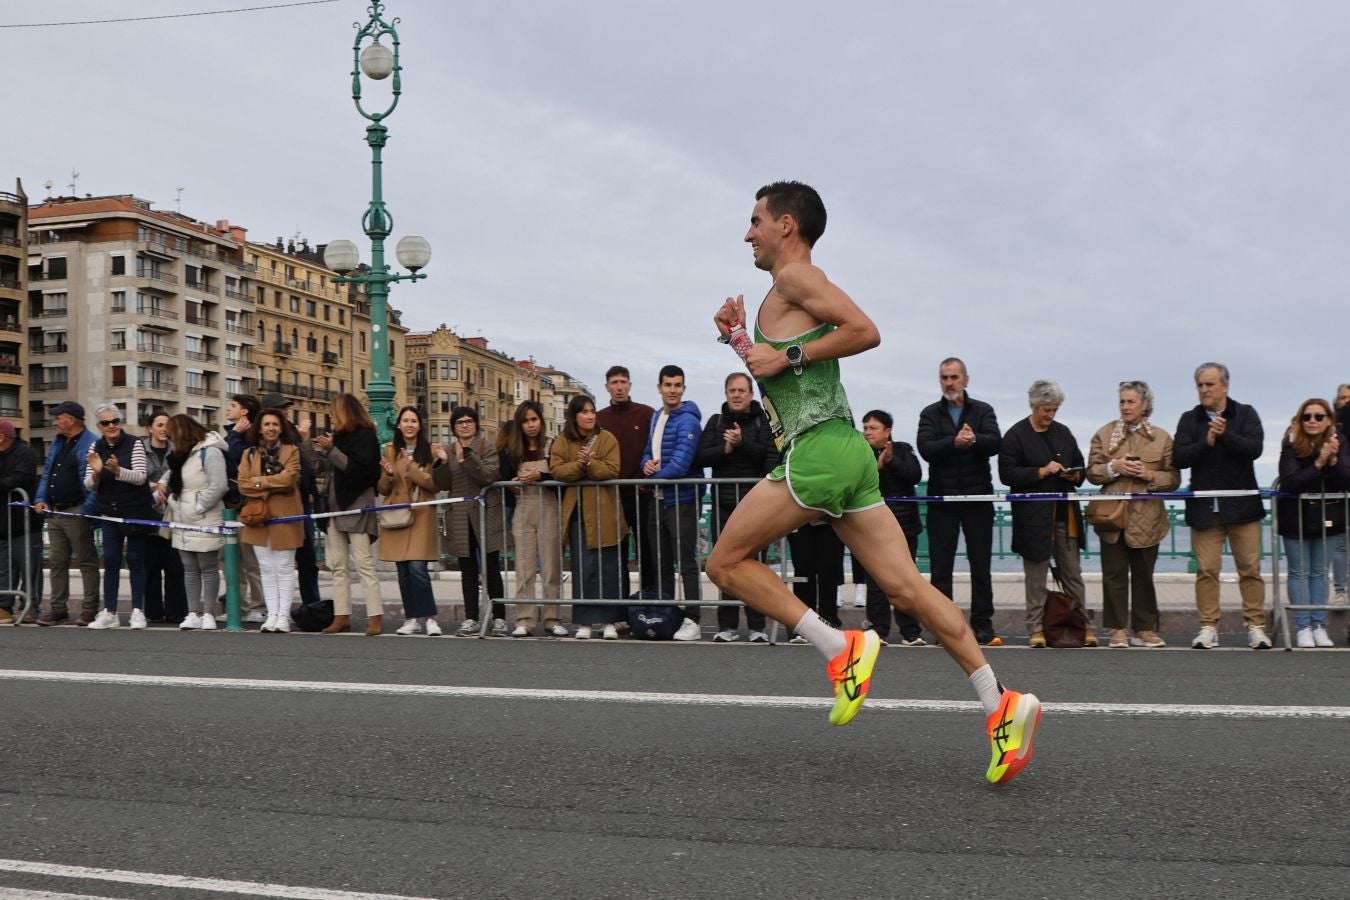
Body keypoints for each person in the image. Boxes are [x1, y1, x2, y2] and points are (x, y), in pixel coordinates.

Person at [707, 180, 1040, 784]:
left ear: (786, 225)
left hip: (818, 454)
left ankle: (840, 648)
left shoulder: (796, 277)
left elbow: (864, 331)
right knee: (908, 589)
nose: (747, 232)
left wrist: (785, 357)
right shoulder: (785, 295)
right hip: (847, 455)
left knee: (725, 564)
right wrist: (738, 338)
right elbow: (774, 370)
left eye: (755, 220)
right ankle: (1001, 704)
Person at [1174, 362, 1271, 650]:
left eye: (1210, 384)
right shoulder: (1189, 419)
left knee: (1250, 568)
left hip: (1242, 507)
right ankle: (1208, 627)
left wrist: (1226, 434)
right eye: (1200, 385)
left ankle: (1256, 626)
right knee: (1206, 569)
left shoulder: (1245, 413)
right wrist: (1207, 440)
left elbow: (1255, 449)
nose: (1204, 390)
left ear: (1225, 386)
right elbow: (1179, 458)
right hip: (1205, 509)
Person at [916, 358, 1004, 646]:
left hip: (978, 500)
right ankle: (945, 628)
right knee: (941, 569)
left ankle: (983, 626)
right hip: (943, 502)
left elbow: (995, 442)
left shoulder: (983, 410)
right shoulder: (930, 413)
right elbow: (925, 448)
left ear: (966, 379)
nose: (949, 383)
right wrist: (954, 442)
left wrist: (974, 439)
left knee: (981, 568)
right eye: (944, 377)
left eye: (954, 377)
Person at [1085, 381, 1180, 648]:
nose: (1125, 407)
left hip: (1148, 517)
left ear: (1145, 404)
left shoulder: (1162, 438)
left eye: (1131, 402)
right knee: (1113, 574)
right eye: (1122, 402)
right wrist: (1113, 467)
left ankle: (1145, 629)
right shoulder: (1104, 434)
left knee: (1143, 575)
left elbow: (1173, 478)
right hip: (1111, 517)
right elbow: (1091, 472)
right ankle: (1117, 630)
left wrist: (1149, 475)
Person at [997, 381, 1089, 648]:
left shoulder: (1064, 433)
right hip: (1033, 519)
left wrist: (1076, 473)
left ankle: (1080, 625)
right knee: (1035, 576)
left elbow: (1081, 466)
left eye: (1055, 410)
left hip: (1065, 515)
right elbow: (1007, 474)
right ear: (1033, 406)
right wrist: (1040, 471)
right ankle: (1035, 628)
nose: (1051, 415)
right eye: (1046, 410)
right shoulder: (1015, 435)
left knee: (1072, 573)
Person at [697, 372, 776, 642]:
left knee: (756, 566)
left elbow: (769, 457)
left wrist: (742, 444)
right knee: (723, 567)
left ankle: (757, 627)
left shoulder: (762, 421)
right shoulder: (716, 421)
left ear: (751, 394)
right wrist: (726, 449)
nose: (737, 395)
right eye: (732, 390)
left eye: (742, 390)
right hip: (723, 504)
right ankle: (727, 626)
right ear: (726, 393)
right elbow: (702, 456)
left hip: (755, 506)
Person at [550, 394, 627, 639]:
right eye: (584, 411)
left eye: (592, 411)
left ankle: (609, 622)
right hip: (578, 513)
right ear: (574, 416)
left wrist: (590, 464)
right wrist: (579, 465)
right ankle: (585, 622)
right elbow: (557, 469)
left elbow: (612, 469)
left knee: (608, 568)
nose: (590, 415)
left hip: (605, 512)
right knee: (584, 569)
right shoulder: (563, 440)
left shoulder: (607, 439)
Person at [1276, 398, 1349, 648]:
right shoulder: (1291, 442)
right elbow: (1291, 482)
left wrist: (1333, 461)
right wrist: (1318, 463)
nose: (1312, 421)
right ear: (1300, 419)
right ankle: (1302, 626)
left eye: (1319, 416)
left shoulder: (1339, 441)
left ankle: (1319, 625)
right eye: (1307, 416)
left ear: (1329, 419)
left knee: (1320, 572)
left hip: (1329, 517)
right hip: (1295, 518)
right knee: (1298, 572)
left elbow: (1346, 480)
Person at [640, 364, 704, 641]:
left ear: (683, 389)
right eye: (668, 385)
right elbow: (647, 452)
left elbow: (680, 464)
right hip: (659, 500)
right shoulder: (656, 417)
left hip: (682, 500)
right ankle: (666, 615)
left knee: (686, 562)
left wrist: (653, 479)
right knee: (661, 562)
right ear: (659, 388)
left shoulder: (688, 420)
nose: (673, 390)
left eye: (677, 385)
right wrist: (645, 467)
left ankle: (693, 619)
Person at [312, 393, 384, 636]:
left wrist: (332, 450)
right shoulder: (338, 438)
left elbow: (361, 472)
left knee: (364, 563)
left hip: (356, 505)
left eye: (334, 412)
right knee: (338, 565)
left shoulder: (365, 437)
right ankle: (341, 615)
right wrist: (315, 448)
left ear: (345, 412)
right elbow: (322, 467)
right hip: (334, 507)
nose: (331, 417)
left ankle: (376, 616)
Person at [432, 406, 507, 636]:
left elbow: (488, 475)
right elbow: (442, 485)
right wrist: (442, 463)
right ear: (453, 427)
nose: (464, 425)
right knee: (467, 569)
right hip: (460, 516)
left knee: (491, 568)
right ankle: (471, 617)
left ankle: (500, 618)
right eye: (459, 422)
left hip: (486, 514)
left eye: (469, 421)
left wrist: (466, 458)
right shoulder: (447, 449)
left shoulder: (487, 446)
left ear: (476, 424)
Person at [84, 403, 156, 630]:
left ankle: (137, 610)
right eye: (106, 423)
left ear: (120, 422)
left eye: (115, 421)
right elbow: (88, 485)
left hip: (134, 510)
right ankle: (110, 611)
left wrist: (117, 471)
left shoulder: (135, 443)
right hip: (109, 512)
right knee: (111, 561)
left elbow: (141, 477)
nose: (112, 426)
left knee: (135, 560)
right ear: (99, 426)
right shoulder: (95, 446)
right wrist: (96, 473)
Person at [858, 410, 927, 646]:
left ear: (888, 431)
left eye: (873, 428)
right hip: (872, 528)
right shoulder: (860, 453)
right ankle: (878, 630)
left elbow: (914, 476)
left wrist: (891, 461)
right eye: (865, 427)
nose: (867, 432)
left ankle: (911, 631)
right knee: (876, 580)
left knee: (906, 578)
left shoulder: (904, 449)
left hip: (904, 526)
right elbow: (855, 481)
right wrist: (876, 466)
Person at [500, 400, 567, 637]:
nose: (530, 425)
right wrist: (512, 487)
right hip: (523, 507)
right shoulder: (512, 451)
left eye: (534, 420)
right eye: (525, 421)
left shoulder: (552, 446)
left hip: (549, 506)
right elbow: (503, 478)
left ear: (541, 420)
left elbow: (561, 474)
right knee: (524, 567)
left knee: (551, 567)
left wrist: (540, 475)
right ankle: (524, 619)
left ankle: (552, 618)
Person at [378, 405, 444, 636]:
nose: (409, 425)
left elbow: (433, 484)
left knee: (418, 568)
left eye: (413, 421)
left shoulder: (431, 451)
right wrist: (388, 474)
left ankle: (430, 618)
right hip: (397, 513)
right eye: (405, 421)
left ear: (420, 425)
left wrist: (409, 467)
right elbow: (383, 489)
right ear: (398, 425)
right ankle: (411, 617)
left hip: (420, 514)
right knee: (403, 570)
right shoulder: (389, 451)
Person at [33, 401, 100, 626]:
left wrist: (87, 512)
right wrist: (40, 499)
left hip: (77, 510)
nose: (55, 421)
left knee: (86, 561)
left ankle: (89, 609)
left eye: (58, 417)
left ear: (71, 419)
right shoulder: (58, 442)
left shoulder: (91, 443)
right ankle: (58, 609)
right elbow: (47, 474)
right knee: (57, 562)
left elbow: (94, 481)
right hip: (55, 511)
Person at [237, 408, 304, 632]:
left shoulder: (292, 450)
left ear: (281, 427)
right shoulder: (249, 453)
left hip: (285, 515)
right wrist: (268, 483)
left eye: (275, 424)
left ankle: (283, 616)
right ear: (260, 428)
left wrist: (260, 483)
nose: (271, 428)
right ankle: (271, 614)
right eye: (266, 424)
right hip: (258, 515)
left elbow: (289, 479)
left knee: (284, 567)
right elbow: (242, 483)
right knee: (265, 567)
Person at [596, 365, 657, 598]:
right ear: (607, 387)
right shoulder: (599, 419)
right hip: (611, 496)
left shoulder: (646, 414)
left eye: (623, 382)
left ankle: (648, 603)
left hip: (641, 495)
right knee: (616, 554)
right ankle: (619, 607)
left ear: (630, 385)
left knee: (647, 552)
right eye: (615, 383)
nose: (619, 387)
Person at [163, 415, 228, 629]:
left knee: (208, 567)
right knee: (189, 568)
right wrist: (173, 500)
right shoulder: (180, 455)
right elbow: (173, 476)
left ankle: (208, 613)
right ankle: (193, 612)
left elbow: (219, 485)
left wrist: (199, 507)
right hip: (183, 518)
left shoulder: (210, 452)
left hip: (204, 517)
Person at [223, 393, 266, 625]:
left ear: (245, 412)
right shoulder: (232, 433)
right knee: (231, 560)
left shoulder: (248, 436)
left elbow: (241, 459)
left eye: (233, 406)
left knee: (251, 561)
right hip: (230, 504)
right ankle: (236, 605)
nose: (228, 409)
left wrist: (234, 435)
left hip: (247, 505)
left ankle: (259, 606)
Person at [141, 411, 187, 625]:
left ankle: (176, 611)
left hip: (172, 515)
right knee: (150, 567)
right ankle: (152, 612)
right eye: (159, 425)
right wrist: (151, 485)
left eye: (166, 425)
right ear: (150, 428)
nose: (163, 429)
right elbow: (135, 475)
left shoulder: (177, 449)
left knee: (175, 567)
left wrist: (166, 488)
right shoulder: (140, 449)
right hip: (147, 516)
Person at [0, 420, 42, 624]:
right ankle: (4, 607)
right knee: (3, 567)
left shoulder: (24, 452)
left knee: (29, 567)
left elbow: (21, 478)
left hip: (25, 522)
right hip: (2, 524)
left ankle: (31, 606)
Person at [785, 520, 845, 642]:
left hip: (829, 518)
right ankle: (802, 625)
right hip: (799, 518)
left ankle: (829, 623)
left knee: (829, 569)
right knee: (803, 570)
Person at [1330, 383, 1350, 606]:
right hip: (1338, 492)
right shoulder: (1333, 426)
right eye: (1342, 398)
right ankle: (1340, 590)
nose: (1346, 401)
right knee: (1339, 544)